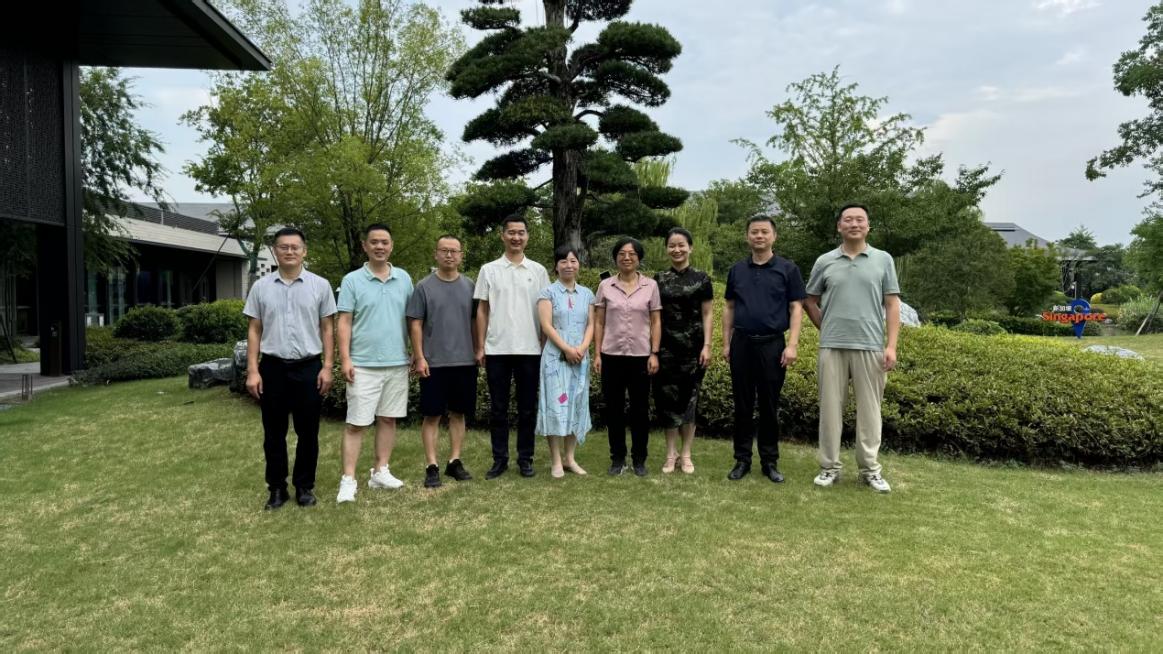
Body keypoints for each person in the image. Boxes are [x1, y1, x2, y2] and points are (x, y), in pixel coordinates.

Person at [804, 203, 901, 493]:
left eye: (860, 219)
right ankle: (829, 467)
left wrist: (891, 346)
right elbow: (809, 300)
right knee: (830, 410)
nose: (854, 224)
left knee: (870, 412)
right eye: (848, 220)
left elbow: (892, 303)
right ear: (839, 226)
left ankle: (870, 470)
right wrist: (826, 326)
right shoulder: (825, 261)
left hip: (871, 346)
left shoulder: (883, 259)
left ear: (868, 226)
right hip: (832, 346)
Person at [243, 227, 336, 510]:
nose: (289, 251)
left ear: (304, 251)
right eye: (283, 247)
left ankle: (304, 487)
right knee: (274, 433)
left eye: (295, 247)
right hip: (272, 368)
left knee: (308, 432)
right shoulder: (261, 287)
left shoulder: (320, 285)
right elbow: (254, 330)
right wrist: (252, 370)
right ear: (275, 251)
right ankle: (277, 488)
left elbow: (327, 328)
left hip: (309, 367)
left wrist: (328, 366)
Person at [722, 216, 805, 484]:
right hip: (742, 343)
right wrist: (726, 343)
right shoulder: (737, 270)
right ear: (747, 236)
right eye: (754, 232)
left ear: (774, 236)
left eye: (764, 232)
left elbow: (796, 308)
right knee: (742, 404)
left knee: (769, 405)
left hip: (773, 344)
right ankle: (742, 459)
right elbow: (729, 307)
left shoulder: (788, 269)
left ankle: (769, 461)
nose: (759, 236)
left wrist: (792, 345)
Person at [335, 223, 414, 503]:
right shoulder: (352, 280)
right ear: (365, 246)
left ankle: (380, 471)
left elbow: (412, 319)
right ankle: (348, 480)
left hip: (396, 362)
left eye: (385, 242)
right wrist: (345, 358)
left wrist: (416, 352)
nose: (380, 246)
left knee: (388, 419)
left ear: (391, 246)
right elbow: (344, 321)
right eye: (374, 242)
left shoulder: (404, 278)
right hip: (362, 364)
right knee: (356, 424)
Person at [474, 215, 551, 479]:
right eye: (511, 232)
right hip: (497, 349)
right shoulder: (489, 269)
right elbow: (482, 309)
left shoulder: (538, 271)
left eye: (521, 233)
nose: (516, 237)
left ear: (527, 236)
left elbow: (545, 310)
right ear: (502, 235)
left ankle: (525, 458)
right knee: (498, 409)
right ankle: (500, 459)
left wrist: (544, 344)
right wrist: (480, 346)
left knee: (527, 408)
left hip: (530, 350)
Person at [407, 235, 479, 489]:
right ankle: (432, 466)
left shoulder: (471, 286)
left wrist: (478, 349)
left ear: (461, 255)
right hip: (433, 363)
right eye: (444, 250)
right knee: (432, 415)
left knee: (458, 414)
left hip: (465, 361)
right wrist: (419, 356)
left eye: (454, 251)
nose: (449, 255)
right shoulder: (423, 287)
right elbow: (415, 324)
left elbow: (476, 322)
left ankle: (454, 461)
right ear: (436, 254)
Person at [593, 237, 661, 477]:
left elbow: (656, 321)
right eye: (622, 253)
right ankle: (618, 458)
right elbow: (599, 321)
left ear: (639, 258)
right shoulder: (606, 286)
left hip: (641, 356)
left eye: (632, 253)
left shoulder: (650, 286)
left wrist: (654, 352)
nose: (627, 257)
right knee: (614, 410)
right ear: (615, 258)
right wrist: (597, 353)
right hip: (611, 355)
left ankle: (639, 459)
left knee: (640, 410)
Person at [653, 227, 714, 474]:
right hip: (665, 350)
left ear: (690, 248)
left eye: (681, 245)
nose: (676, 249)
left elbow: (708, 313)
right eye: (672, 245)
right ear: (666, 249)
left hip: (694, 351)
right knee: (666, 402)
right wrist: (653, 350)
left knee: (690, 402)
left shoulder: (702, 278)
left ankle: (686, 453)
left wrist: (707, 345)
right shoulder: (658, 279)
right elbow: (654, 316)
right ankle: (671, 453)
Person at [535, 245, 596, 478]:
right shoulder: (547, 293)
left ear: (578, 264)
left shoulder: (587, 294)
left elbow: (591, 325)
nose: (569, 265)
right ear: (556, 266)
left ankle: (570, 458)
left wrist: (581, 348)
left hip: (580, 358)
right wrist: (567, 349)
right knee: (556, 406)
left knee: (576, 405)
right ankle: (556, 461)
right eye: (563, 261)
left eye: (573, 261)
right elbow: (546, 326)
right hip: (555, 359)